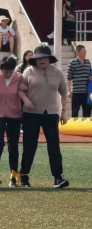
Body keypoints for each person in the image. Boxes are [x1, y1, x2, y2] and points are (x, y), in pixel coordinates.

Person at [18, 45, 69, 189]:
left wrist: (64, 112)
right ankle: (24, 175)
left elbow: (64, 93)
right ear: (34, 59)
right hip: (31, 113)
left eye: (45, 57)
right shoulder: (28, 71)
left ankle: (58, 177)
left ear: (49, 58)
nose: (42, 60)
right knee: (29, 145)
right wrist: (26, 100)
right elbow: (20, 91)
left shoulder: (57, 73)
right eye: (39, 58)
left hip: (51, 113)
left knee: (54, 146)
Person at [0, 56, 23, 188]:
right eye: (5, 71)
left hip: (15, 114)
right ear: (0, 69)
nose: (8, 74)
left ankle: (14, 175)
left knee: (13, 144)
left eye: (10, 71)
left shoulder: (19, 77)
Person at [66, 45, 92, 118]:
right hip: (76, 93)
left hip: (87, 92)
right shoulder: (72, 63)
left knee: (87, 113)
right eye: (83, 50)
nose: (85, 52)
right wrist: (69, 91)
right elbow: (68, 78)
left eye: (85, 50)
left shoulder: (88, 62)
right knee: (75, 112)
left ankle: (86, 125)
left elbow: (90, 74)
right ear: (78, 52)